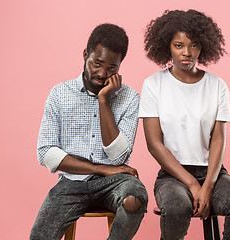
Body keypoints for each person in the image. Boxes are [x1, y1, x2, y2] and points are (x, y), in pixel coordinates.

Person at [139, 10, 230, 240]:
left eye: (193, 45)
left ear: (203, 47)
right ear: (167, 47)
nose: (186, 52)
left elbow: (218, 139)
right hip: (173, 176)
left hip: (213, 173)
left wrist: (208, 186)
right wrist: (192, 184)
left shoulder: (217, 86)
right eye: (178, 45)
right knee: (176, 209)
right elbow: (154, 144)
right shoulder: (154, 84)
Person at [30, 23, 148, 240]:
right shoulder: (59, 93)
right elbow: (46, 152)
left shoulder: (129, 98)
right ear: (85, 54)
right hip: (71, 183)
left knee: (135, 197)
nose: (102, 74)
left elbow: (119, 156)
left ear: (120, 66)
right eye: (97, 63)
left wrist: (104, 100)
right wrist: (102, 169)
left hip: (115, 182)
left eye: (112, 68)